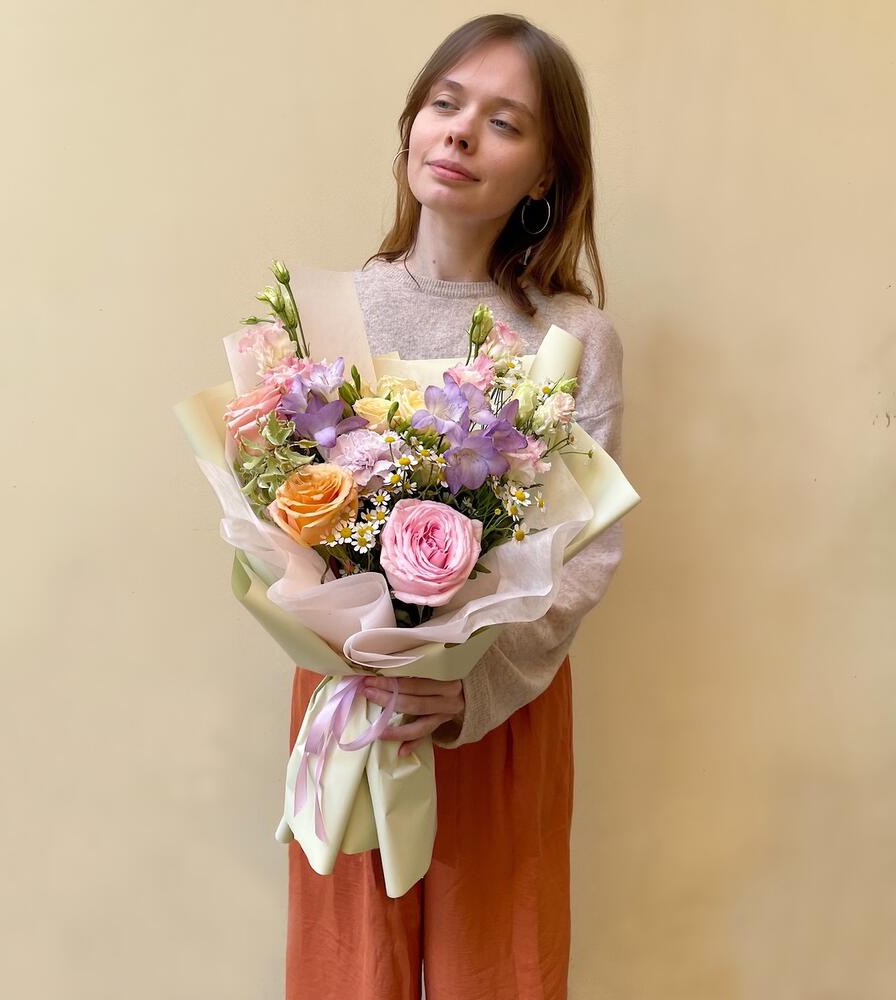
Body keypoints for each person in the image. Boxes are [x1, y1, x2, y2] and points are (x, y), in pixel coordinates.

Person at [286, 14, 625, 999]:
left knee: (503, 966)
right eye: (445, 103)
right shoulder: (330, 314)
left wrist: (478, 684)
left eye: (504, 121)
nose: (462, 132)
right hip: (355, 699)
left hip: (502, 697)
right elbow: (286, 515)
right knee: (349, 969)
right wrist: (349, 641)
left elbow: (586, 550)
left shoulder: (570, 336)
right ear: (412, 126)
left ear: (546, 172)